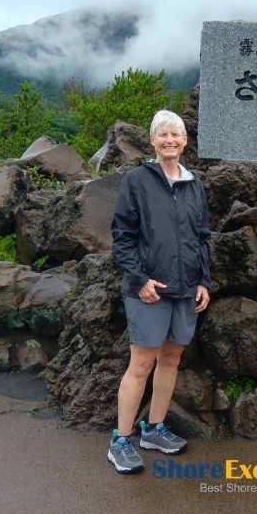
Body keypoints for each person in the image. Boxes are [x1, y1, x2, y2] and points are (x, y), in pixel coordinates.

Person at [107, 109, 211, 473]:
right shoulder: (137, 180)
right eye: (162, 134)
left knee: (170, 359)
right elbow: (123, 235)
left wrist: (203, 281)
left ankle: (153, 428)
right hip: (148, 290)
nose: (170, 140)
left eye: (176, 135)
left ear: (185, 141)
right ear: (152, 141)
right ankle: (121, 439)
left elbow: (201, 238)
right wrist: (139, 279)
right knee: (142, 363)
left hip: (185, 291)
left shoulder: (194, 184)